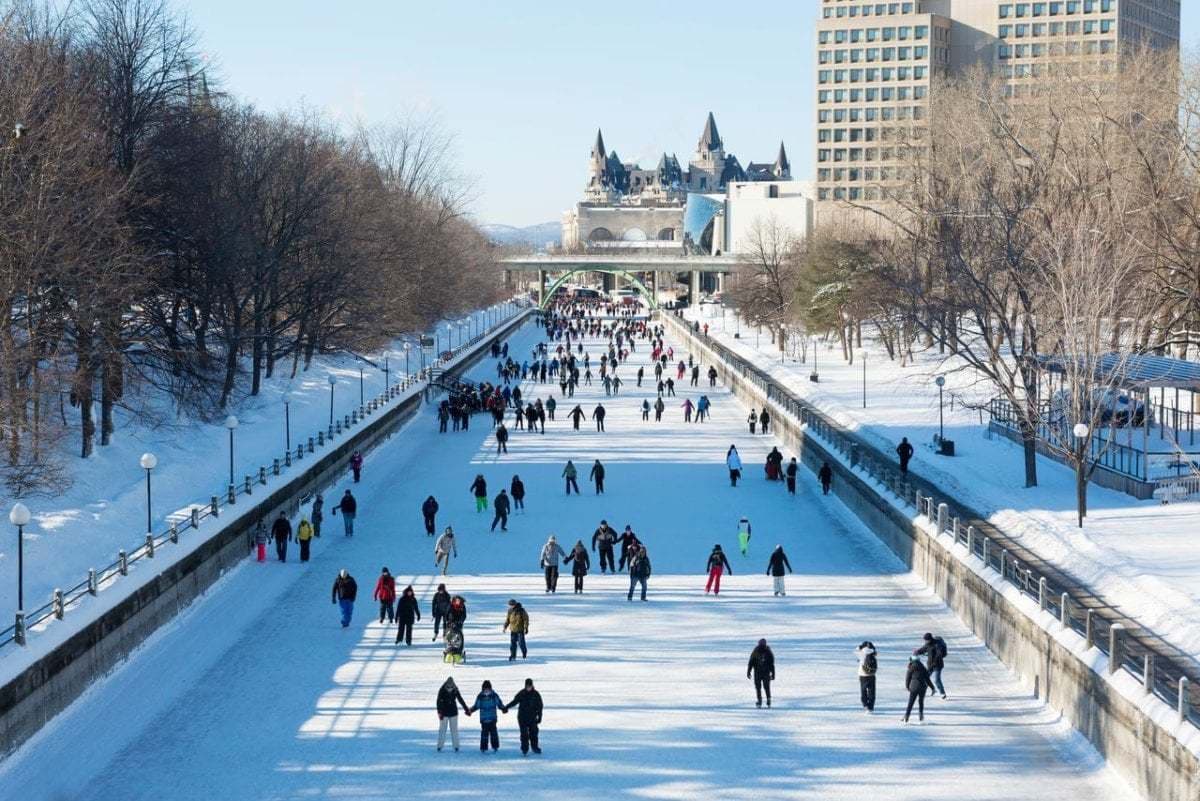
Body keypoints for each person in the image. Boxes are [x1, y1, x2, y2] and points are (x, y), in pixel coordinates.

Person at [505, 679, 544, 755]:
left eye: (530, 686)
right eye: (527, 686)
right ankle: (524, 748)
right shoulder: (522, 693)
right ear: (525, 686)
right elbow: (514, 702)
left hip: (532, 717)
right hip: (522, 717)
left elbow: (540, 706)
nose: (528, 688)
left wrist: (540, 716)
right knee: (524, 734)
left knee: (534, 733)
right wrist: (507, 707)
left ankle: (535, 747)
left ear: (532, 686)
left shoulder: (536, 694)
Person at [470, 681, 507, 753]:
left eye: (488, 689)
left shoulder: (494, 696)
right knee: (484, 734)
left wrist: (503, 708)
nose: (486, 691)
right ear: (483, 689)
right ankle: (483, 747)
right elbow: (476, 706)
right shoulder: (480, 696)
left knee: (494, 733)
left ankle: (495, 746)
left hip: (492, 718)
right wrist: (470, 711)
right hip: (484, 719)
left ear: (490, 689)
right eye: (485, 689)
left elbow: (499, 703)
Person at [436, 677, 471, 752]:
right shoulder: (442, 690)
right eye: (448, 687)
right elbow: (438, 702)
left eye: (451, 686)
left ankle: (456, 746)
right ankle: (439, 746)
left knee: (454, 730)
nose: (450, 688)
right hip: (444, 713)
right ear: (446, 685)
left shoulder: (455, 690)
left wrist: (466, 709)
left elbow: (460, 699)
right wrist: (439, 712)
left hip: (453, 713)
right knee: (442, 730)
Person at [914, 632, 949, 699]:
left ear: (929, 639)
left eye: (926, 640)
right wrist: (917, 652)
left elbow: (939, 655)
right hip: (930, 664)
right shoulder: (927, 644)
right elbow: (923, 649)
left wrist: (934, 663)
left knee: (937, 680)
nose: (925, 641)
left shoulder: (937, 645)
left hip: (938, 665)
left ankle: (942, 693)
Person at [903, 655, 936, 723]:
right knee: (921, 701)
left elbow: (908, 678)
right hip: (922, 687)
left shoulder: (911, 667)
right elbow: (927, 679)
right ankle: (921, 715)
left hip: (914, 687)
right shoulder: (923, 667)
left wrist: (907, 686)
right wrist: (932, 688)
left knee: (911, 702)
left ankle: (907, 716)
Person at [747, 638, 776, 708]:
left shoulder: (756, 651)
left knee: (758, 687)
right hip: (766, 672)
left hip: (757, 672)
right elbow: (771, 664)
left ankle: (759, 701)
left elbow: (751, 662)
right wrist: (773, 673)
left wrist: (749, 671)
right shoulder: (768, 651)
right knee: (766, 687)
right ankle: (768, 699)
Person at [856, 641, 878, 713]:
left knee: (863, 690)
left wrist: (860, 647)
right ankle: (871, 707)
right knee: (872, 691)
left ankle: (865, 704)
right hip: (872, 674)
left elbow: (856, 650)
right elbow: (876, 652)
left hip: (862, 674)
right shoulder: (873, 653)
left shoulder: (861, 653)